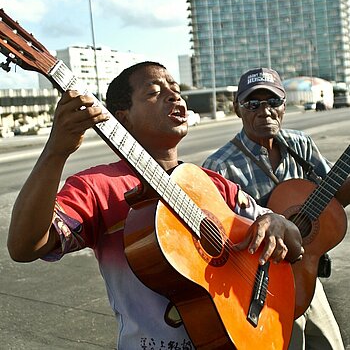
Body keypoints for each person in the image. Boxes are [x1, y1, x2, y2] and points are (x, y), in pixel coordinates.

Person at [7, 61, 302, 350]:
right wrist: (55, 152)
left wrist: (277, 221)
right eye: (154, 92)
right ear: (121, 119)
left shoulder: (212, 183)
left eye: (175, 88)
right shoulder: (98, 187)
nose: (174, 95)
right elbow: (25, 246)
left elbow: (292, 238)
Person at [203, 67, 350, 350]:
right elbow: (213, 241)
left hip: (306, 274)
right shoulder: (220, 166)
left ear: (284, 105)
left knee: (331, 345)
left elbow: (333, 196)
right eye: (253, 103)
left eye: (273, 102)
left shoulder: (299, 144)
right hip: (259, 287)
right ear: (237, 109)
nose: (265, 111)